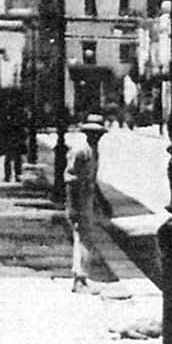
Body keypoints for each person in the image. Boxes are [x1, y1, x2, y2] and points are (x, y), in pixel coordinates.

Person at [65, 121, 102, 291]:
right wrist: (73, 207)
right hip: (79, 200)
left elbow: (93, 179)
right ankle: (79, 279)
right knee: (82, 238)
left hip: (88, 199)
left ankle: (82, 277)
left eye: (99, 134)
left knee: (86, 238)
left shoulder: (94, 151)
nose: (97, 137)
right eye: (94, 134)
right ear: (87, 134)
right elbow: (70, 180)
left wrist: (101, 201)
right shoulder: (79, 151)